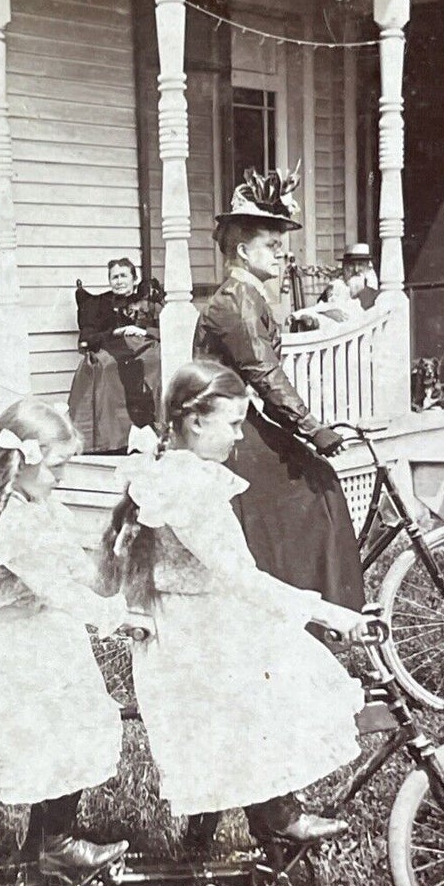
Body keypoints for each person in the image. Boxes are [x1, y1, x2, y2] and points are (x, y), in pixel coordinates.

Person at [101, 361, 369, 851]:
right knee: (274, 686)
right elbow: (240, 577)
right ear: (196, 421)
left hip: (192, 624)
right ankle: (277, 817)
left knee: (252, 698)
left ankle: (208, 843)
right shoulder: (192, 489)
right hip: (196, 635)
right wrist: (329, 611)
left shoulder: (170, 473)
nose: (241, 437)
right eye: (233, 423)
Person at [0, 399, 151, 873]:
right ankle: (53, 840)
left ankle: (44, 844)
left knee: (80, 716)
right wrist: (114, 617)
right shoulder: (0, 517)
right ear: (23, 460)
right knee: (59, 724)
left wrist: (114, 554)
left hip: (36, 631)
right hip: (3, 644)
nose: (63, 477)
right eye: (57, 466)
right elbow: (53, 585)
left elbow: (79, 572)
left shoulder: (37, 505)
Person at [194, 168, 366, 609]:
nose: (282, 254)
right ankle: (299, 611)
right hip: (220, 431)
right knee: (309, 488)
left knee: (315, 482)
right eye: (272, 246)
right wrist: (313, 429)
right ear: (243, 250)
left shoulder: (249, 298)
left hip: (239, 419)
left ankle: (316, 607)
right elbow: (264, 373)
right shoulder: (236, 301)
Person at [67, 258, 162, 453]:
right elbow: (88, 337)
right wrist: (116, 332)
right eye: (114, 277)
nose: (118, 281)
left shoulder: (147, 304)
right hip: (111, 345)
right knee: (106, 366)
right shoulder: (99, 304)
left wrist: (143, 331)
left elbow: (165, 329)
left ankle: (155, 426)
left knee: (156, 360)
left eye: (123, 276)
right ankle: (114, 438)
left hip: (144, 346)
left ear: (134, 279)